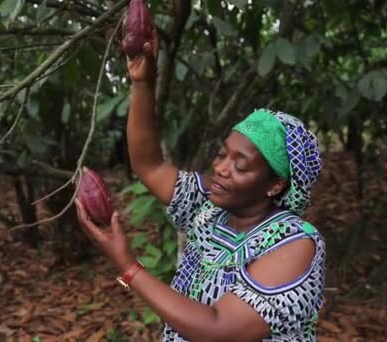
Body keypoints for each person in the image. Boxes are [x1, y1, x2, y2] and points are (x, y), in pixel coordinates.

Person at [75, 30, 325, 341]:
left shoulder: (294, 244)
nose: (220, 168)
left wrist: (127, 266)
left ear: (274, 186)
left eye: (241, 165)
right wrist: (143, 82)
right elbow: (149, 165)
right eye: (222, 154)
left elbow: (219, 329)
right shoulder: (210, 208)